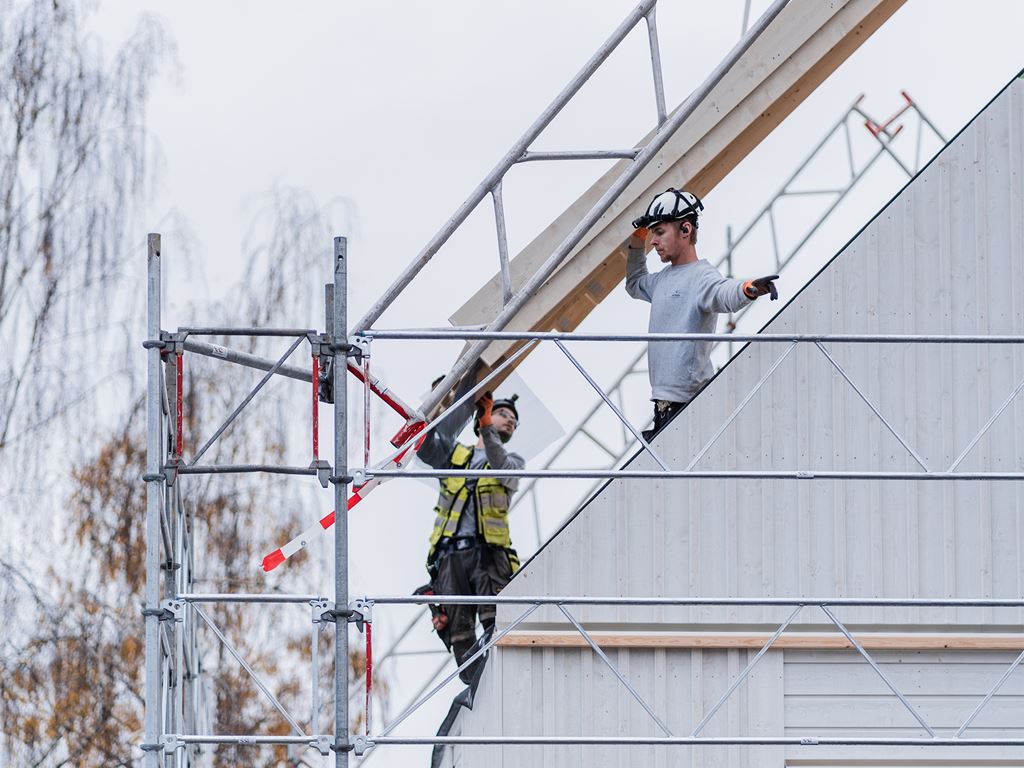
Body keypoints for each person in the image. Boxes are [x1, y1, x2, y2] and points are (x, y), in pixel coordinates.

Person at [626, 188, 779, 440]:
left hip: (690, 406)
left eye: (659, 232)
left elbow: (723, 292)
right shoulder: (661, 281)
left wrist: (746, 289)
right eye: (652, 234)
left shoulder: (702, 276)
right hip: (663, 406)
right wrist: (637, 236)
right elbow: (634, 283)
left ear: (685, 230)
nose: (653, 241)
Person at [416, 380, 524, 685]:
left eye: (513, 421)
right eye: (503, 414)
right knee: (459, 631)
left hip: (488, 557)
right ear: (479, 419)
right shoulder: (454, 455)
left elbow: (500, 463)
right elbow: (424, 447)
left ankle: (500, 683)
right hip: (450, 558)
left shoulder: (512, 462)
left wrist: (487, 423)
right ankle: (477, 686)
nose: (509, 421)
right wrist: (439, 405)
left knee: (494, 621)